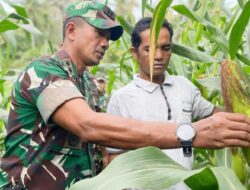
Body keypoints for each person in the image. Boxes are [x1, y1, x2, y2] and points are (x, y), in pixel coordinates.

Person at [0, 1, 250, 190]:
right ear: (72, 30)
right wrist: (190, 134)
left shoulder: (86, 83)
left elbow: (103, 152)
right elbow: (88, 125)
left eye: (109, 37)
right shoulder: (44, 71)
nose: (107, 42)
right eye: (100, 33)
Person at [104, 17, 247, 189]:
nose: (158, 56)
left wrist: (236, 92)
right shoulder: (122, 98)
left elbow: (218, 115)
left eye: (165, 48)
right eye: (148, 49)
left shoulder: (184, 86)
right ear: (134, 53)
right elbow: (114, 159)